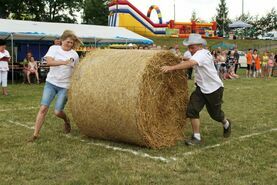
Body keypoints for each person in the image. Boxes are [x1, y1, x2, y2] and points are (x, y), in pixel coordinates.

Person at [161, 34, 231, 145]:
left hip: (214, 89)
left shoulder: (201, 53)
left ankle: (226, 123)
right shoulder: (201, 53)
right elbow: (191, 60)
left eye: (192, 47)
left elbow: (191, 63)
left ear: (200, 46)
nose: (190, 50)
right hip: (201, 88)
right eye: (189, 47)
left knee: (215, 115)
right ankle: (196, 137)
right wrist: (182, 58)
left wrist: (171, 68)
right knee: (192, 110)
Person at [28, 30, 82, 142]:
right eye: (68, 42)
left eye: (72, 43)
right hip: (51, 83)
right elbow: (48, 62)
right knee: (43, 108)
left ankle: (66, 120)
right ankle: (35, 134)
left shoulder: (74, 55)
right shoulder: (53, 49)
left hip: (65, 86)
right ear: (62, 41)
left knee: (58, 112)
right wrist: (63, 62)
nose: (70, 44)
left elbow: (77, 70)